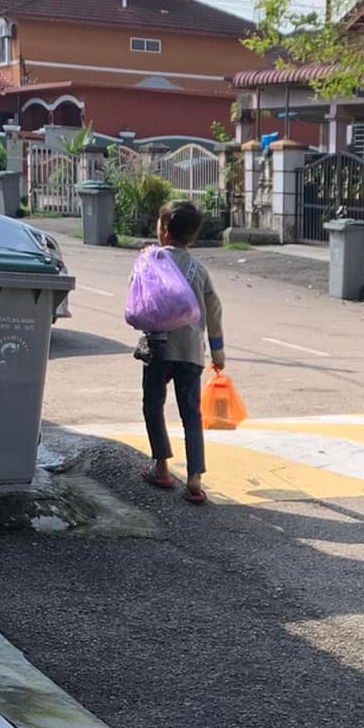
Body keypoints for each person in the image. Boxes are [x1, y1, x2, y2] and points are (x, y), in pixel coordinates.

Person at [137, 198, 225, 505]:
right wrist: (217, 351)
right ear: (193, 236)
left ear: (162, 230)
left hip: (158, 346)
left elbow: (139, 296)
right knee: (191, 414)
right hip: (190, 351)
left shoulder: (151, 260)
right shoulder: (199, 270)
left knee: (153, 405)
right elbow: (214, 310)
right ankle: (194, 479)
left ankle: (161, 466)